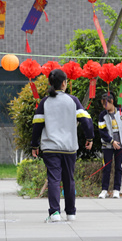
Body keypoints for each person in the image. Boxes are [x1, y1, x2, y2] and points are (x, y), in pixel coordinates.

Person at [31, 68, 94, 222]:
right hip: (69, 147)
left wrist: (34, 145)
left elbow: (37, 125)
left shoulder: (44, 102)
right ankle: (71, 213)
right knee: (69, 179)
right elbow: (86, 120)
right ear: (64, 83)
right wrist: (90, 137)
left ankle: (54, 213)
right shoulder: (73, 100)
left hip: (50, 148)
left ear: (50, 83)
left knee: (53, 179)